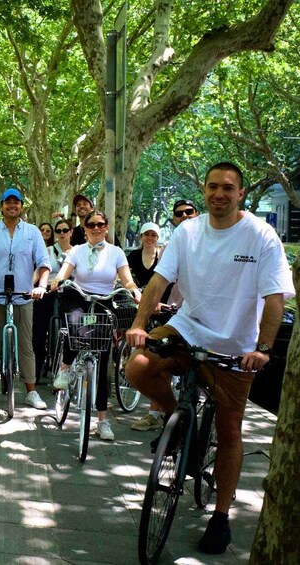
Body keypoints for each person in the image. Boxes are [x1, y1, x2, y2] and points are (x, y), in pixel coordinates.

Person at [125, 162, 293, 555]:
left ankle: (220, 516)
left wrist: (262, 349)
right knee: (138, 366)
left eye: (228, 188)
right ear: (204, 190)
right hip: (187, 329)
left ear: (241, 194)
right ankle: (177, 421)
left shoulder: (261, 236)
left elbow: (274, 298)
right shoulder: (187, 231)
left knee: (230, 430)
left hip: (235, 346)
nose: (219, 194)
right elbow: (159, 281)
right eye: (213, 186)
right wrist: (139, 324)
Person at [50, 210, 141, 441]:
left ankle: (102, 420)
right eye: (91, 225)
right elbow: (65, 272)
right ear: (85, 228)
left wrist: (134, 291)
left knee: (103, 357)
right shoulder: (77, 251)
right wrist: (58, 280)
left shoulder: (116, 252)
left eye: (100, 224)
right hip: (79, 298)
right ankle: (65, 368)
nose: (96, 228)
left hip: (104, 301)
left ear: (106, 227)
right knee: (76, 325)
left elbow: (127, 279)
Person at [0, 188, 50, 409]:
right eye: (8, 202)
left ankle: (31, 391)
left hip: (23, 296)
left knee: (26, 344)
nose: (12, 206)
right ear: (1, 206)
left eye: (16, 202)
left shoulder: (32, 232)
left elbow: (43, 263)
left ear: (21, 206)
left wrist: (41, 287)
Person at [131, 202, 200, 432]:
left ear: (197, 214)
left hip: (203, 318)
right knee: (157, 361)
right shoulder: (171, 246)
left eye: (189, 212)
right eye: (179, 214)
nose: (184, 216)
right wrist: (152, 308)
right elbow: (161, 280)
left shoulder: (210, 241)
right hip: (173, 312)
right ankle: (159, 414)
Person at [31, 218, 73, 382]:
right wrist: (30, 286)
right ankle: (35, 372)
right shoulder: (47, 250)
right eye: (58, 231)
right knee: (38, 332)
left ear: (71, 232)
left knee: (71, 330)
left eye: (65, 230)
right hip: (47, 291)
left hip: (68, 293)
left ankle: (65, 370)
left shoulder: (77, 251)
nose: (62, 233)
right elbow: (38, 271)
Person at [127, 222, 161, 288]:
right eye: (146, 234)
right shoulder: (133, 255)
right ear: (141, 237)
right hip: (137, 293)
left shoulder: (162, 257)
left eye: (153, 235)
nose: (149, 238)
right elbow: (124, 274)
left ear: (157, 238)